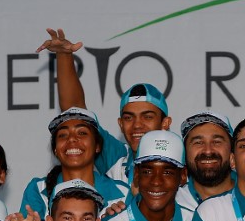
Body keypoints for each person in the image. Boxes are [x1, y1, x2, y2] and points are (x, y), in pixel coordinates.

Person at [39, 27, 172, 189]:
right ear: (120, 124)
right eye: (129, 118)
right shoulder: (117, 158)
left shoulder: (185, 159)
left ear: (165, 123)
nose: (137, 125)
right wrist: (64, 55)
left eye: (148, 117)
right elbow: (75, 112)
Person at [20, 107, 129, 220]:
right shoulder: (38, 189)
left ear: (97, 146)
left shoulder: (123, 192)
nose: (72, 139)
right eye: (63, 135)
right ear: (55, 150)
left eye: (82, 133)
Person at [177, 110, 235, 211]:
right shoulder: (171, 202)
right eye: (198, 142)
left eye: (217, 142)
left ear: (232, 150)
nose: (208, 151)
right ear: (184, 152)